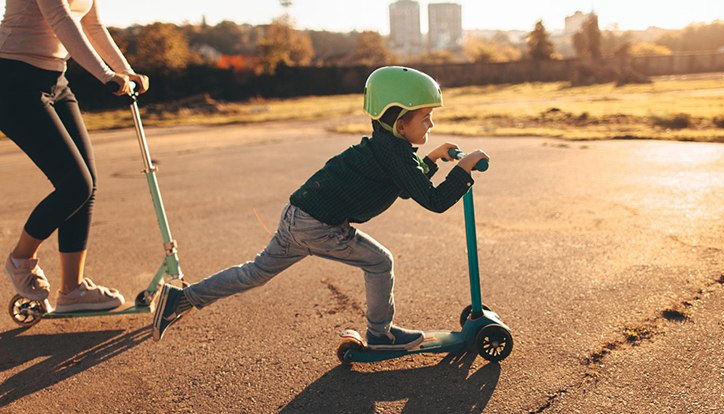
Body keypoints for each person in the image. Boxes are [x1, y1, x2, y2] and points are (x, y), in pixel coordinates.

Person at [153, 66, 489, 349]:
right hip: (319, 227)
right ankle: (380, 333)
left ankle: (180, 299)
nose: (430, 125)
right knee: (379, 262)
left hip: (298, 216)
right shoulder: (397, 154)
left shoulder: (386, 147)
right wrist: (463, 169)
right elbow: (434, 201)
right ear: (401, 123)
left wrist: (431, 159)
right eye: (426, 118)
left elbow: (406, 184)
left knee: (254, 272)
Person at [0, 0, 149, 312]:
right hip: (14, 81)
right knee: (75, 185)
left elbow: (92, 25)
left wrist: (126, 71)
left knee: (87, 186)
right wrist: (105, 74)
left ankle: (72, 290)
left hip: (56, 80)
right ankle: (21, 260)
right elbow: (60, 17)